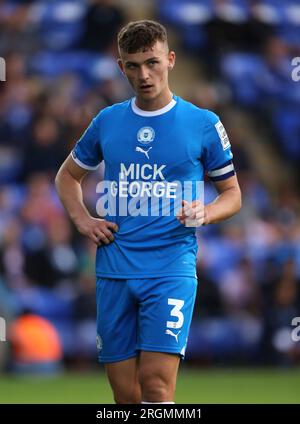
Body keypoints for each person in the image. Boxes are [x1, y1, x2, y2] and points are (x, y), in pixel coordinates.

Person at [55, 20, 242, 404]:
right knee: (126, 397)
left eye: (152, 62)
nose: (144, 74)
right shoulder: (106, 121)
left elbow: (232, 195)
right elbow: (67, 178)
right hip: (114, 270)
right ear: (121, 67)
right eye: (133, 65)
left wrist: (205, 213)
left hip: (170, 268)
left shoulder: (203, 124)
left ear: (170, 60)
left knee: (157, 389)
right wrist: (83, 220)